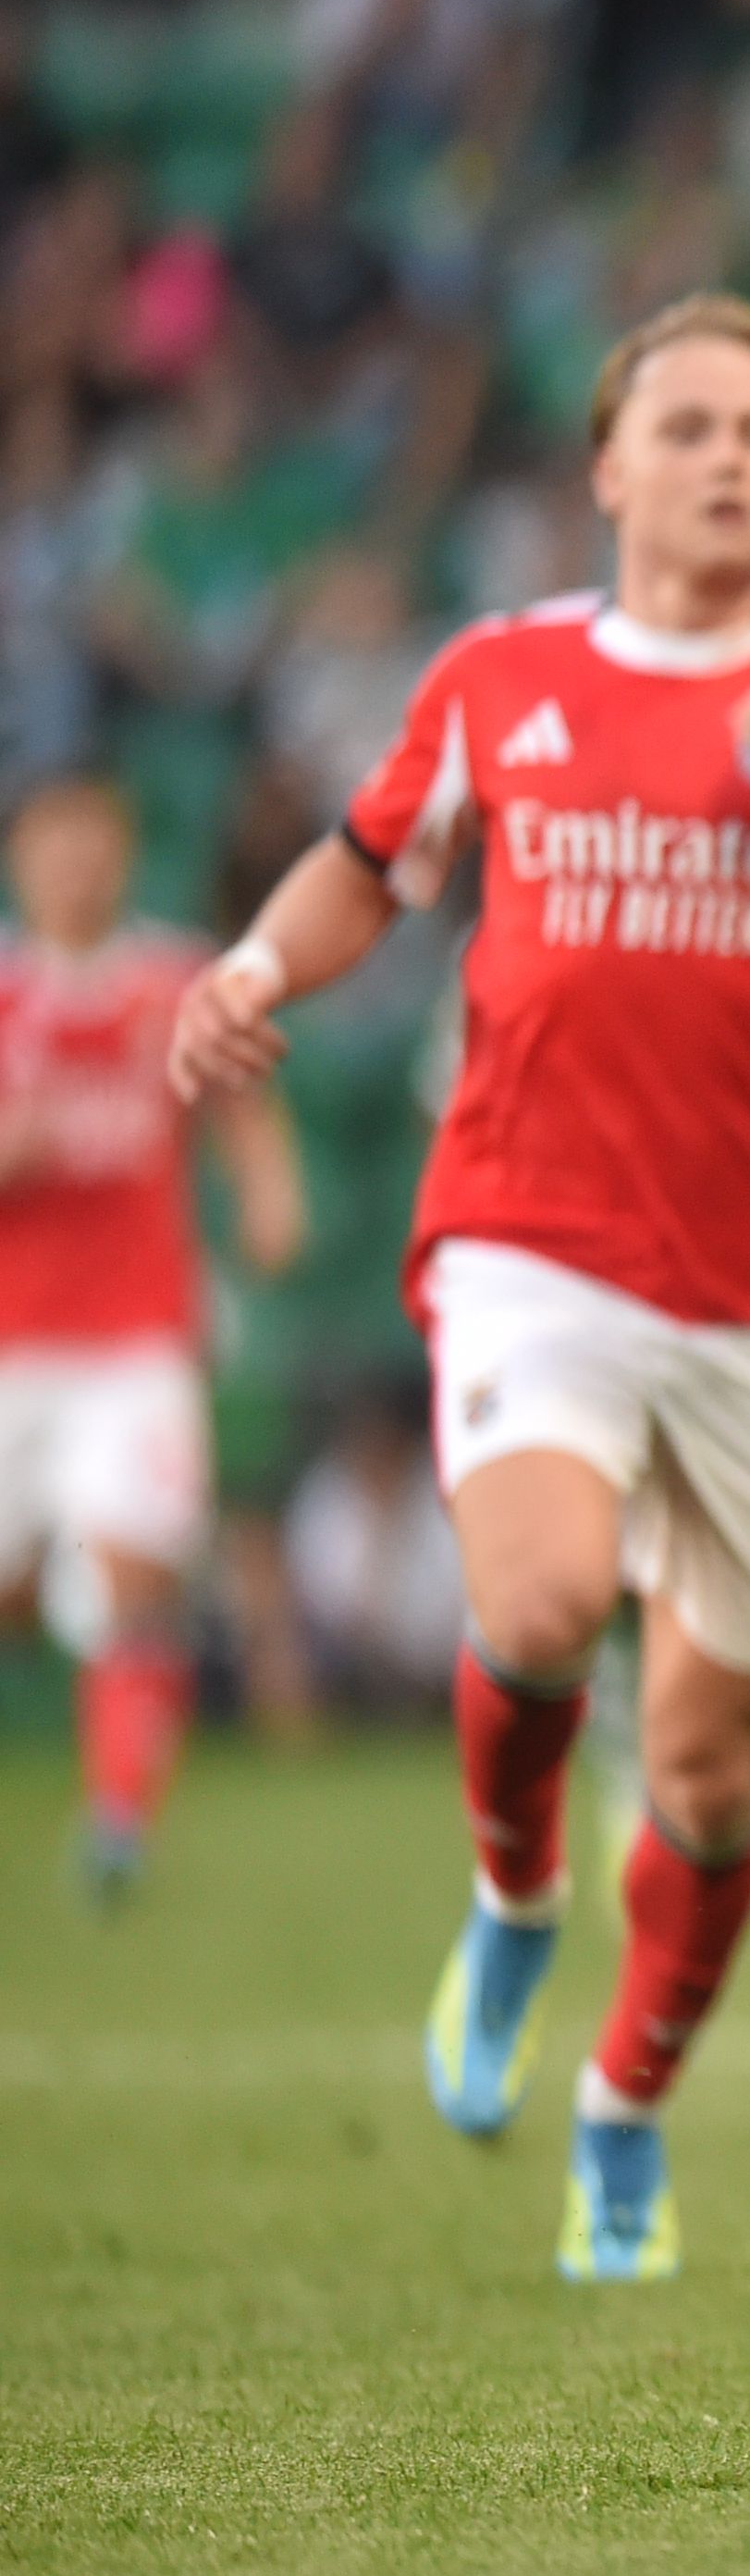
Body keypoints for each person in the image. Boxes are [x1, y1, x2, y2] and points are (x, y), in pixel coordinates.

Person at [171, 292, 750, 2279]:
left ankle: (624, 2102)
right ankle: (511, 1881)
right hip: (528, 1236)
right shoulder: (502, 676)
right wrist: (244, 971)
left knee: (717, 1777)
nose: (736, 460)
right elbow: (364, 866)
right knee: (545, 1598)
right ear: (609, 466)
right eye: (696, 427)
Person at [0, 771, 302, 1897]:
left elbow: (241, 1104)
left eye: (95, 837)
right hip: (11, 1346)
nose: (75, 860)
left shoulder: (174, 981)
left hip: (135, 1342)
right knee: (31, 1596)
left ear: (125, 851)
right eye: (52, 838)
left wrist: (270, 1196)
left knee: (135, 1578)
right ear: (21, 857)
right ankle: (39, 1598)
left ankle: (120, 1819)